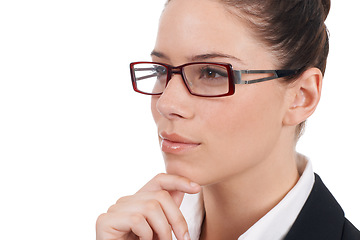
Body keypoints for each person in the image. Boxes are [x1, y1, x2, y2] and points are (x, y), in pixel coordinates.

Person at [96, 0, 360, 239]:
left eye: (211, 73)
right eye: (160, 70)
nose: (166, 103)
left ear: (301, 96)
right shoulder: (137, 232)